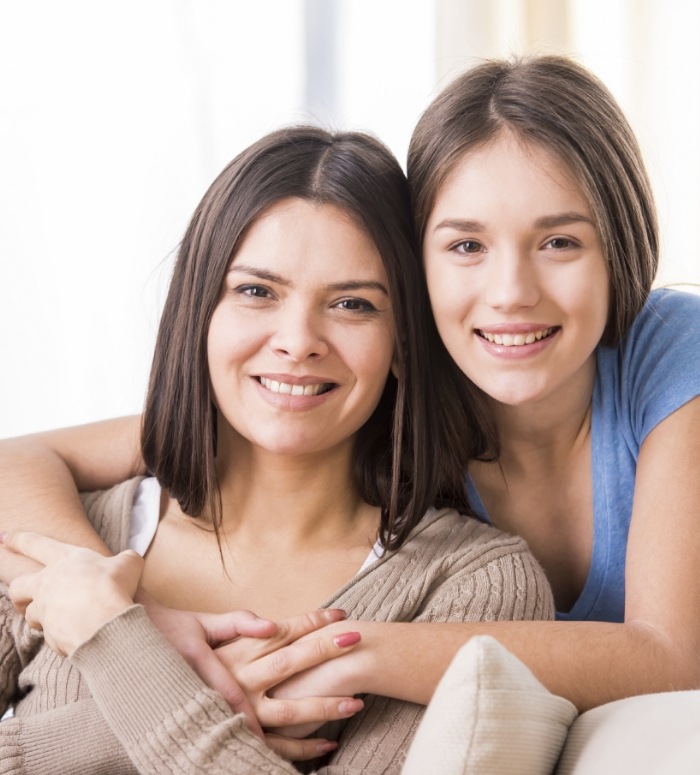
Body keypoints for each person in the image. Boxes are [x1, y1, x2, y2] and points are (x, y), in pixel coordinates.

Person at [2, 52, 699, 722]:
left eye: (559, 243)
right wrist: (112, 603)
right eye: (466, 246)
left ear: (619, 243)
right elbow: (22, 461)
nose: (511, 292)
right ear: (414, 269)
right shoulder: (376, 398)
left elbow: (673, 659)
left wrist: (348, 650)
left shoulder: (669, 351)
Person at [0, 125, 551, 774]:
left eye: (352, 304)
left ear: (405, 340)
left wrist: (114, 640)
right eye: (257, 291)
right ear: (200, 310)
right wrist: (106, 728)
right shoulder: (61, 533)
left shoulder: (469, 585)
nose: (298, 340)